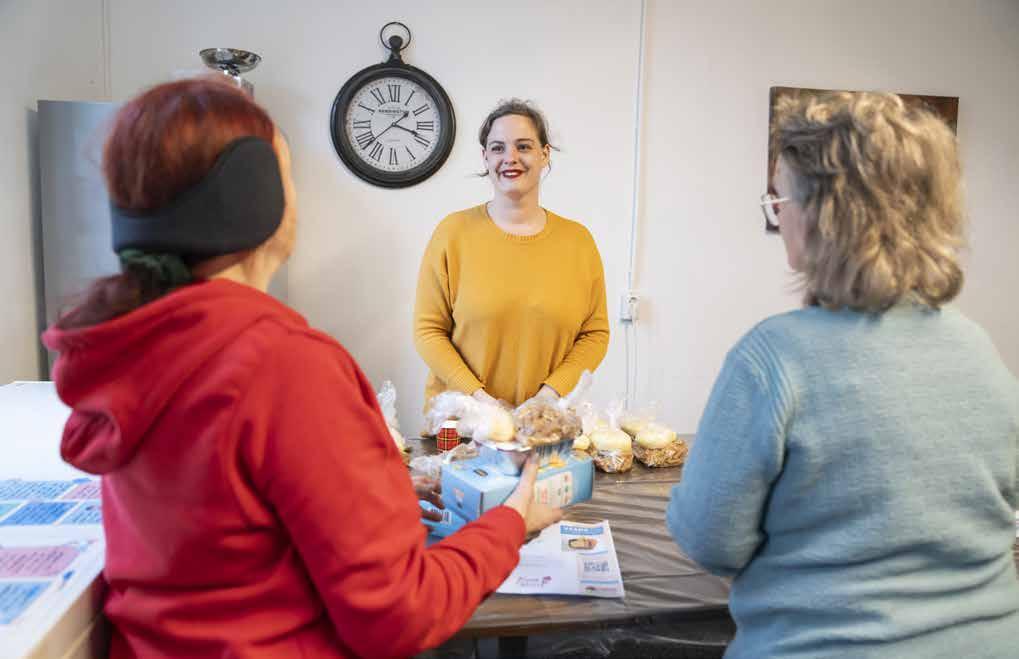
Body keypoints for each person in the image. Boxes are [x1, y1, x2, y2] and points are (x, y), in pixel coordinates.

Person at [41, 77, 561, 659]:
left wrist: (375, 488)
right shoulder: (286, 366)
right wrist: (509, 523)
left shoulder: (136, 348)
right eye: (286, 173)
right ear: (253, 194)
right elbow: (400, 613)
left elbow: (225, 517)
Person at [666, 91, 1019, 658]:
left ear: (822, 215)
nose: (777, 213)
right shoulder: (979, 348)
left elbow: (711, 543)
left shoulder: (771, 359)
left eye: (780, 197)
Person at [413, 99, 609, 412]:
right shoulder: (452, 233)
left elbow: (594, 334)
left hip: (546, 421)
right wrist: (482, 401)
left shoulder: (578, 241)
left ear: (545, 154)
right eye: (498, 148)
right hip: (461, 421)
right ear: (485, 157)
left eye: (524, 146)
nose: (510, 158)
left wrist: (548, 397)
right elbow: (428, 331)